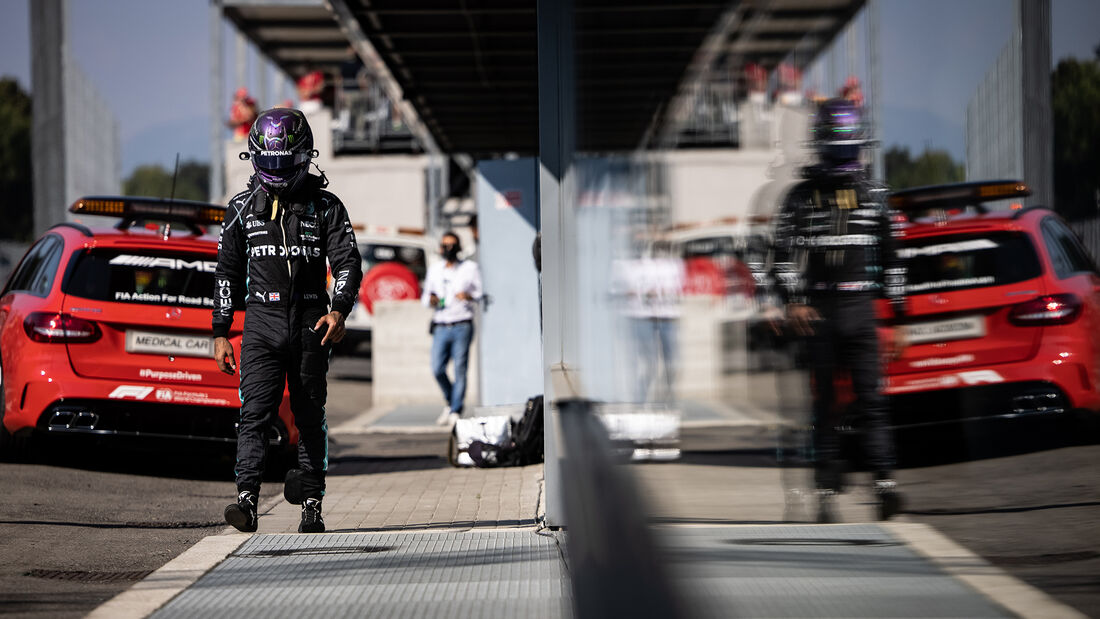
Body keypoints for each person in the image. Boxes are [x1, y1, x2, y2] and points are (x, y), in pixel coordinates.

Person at [213, 108, 362, 534]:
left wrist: (340, 308)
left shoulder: (327, 207)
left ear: (304, 156)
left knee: (309, 413)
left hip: (311, 324)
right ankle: (246, 500)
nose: (275, 171)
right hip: (261, 325)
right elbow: (226, 272)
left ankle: (311, 504)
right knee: (255, 414)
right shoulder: (240, 210)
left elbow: (348, 262)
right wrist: (221, 331)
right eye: (268, 163)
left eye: (284, 163)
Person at [770, 97, 907, 522]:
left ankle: (884, 483)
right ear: (821, 146)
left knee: (872, 401)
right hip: (821, 312)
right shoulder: (799, 196)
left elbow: (894, 259)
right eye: (836, 147)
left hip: (861, 308)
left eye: (849, 147)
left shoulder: (876, 195)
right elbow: (777, 254)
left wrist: (898, 319)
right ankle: (827, 491)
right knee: (825, 403)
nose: (843, 156)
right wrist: (793, 301)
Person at [422, 231, 482, 425]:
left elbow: (480, 293)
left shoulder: (470, 268)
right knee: (437, 368)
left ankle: (456, 408)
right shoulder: (435, 269)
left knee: (460, 368)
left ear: (458, 247)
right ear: (440, 248)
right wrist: (431, 300)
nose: (448, 249)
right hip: (441, 323)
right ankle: (450, 401)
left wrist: (469, 296)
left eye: (452, 245)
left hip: (462, 323)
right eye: (445, 245)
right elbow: (425, 298)